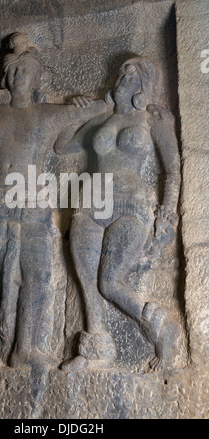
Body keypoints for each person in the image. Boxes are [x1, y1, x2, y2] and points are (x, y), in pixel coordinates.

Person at [0, 33, 110, 369]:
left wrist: (87, 103)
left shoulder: (49, 114)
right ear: (5, 78)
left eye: (26, 70)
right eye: (14, 70)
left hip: (33, 205)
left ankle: (26, 348)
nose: (20, 75)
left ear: (37, 79)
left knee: (38, 274)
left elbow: (103, 106)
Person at [55, 57, 182, 372]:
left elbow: (173, 170)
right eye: (121, 72)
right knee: (87, 281)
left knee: (109, 282)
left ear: (142, 86)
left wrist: (168, 211)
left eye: (132, 73)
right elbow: (62, 146)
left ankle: (160, 326)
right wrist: (80, 109)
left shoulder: (151, 119)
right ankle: (98, 347)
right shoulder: (102, 116)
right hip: (92, 201)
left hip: (132, 202)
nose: (123, 77)